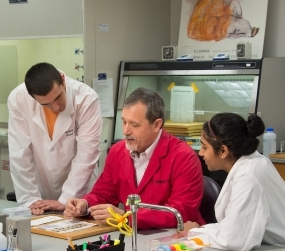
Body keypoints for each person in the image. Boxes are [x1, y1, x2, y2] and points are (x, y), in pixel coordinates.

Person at [64, 88, 204, 229]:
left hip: (175, 238)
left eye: (134, 125)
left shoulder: (183, 157)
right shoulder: (117, 151)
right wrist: (84, 205)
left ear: (156, 125)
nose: (126, 131)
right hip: (132, 235)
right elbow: (103, 194)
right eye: (124, 122)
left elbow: (181, 211)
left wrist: (127, 216)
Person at [180, 112, 285, 251]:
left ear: (223, 150)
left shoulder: (248, 175)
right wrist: (202, 229)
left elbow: (234, 240)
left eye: (204, 147)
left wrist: (195, 233)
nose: (201, 153)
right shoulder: (252, 163)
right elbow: (236, 225)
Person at [7, 62, 102, 215]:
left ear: (63, 80)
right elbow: (20, 155)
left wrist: (65, 200)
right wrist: (31, 201)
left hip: (80, 194)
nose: (56, 107)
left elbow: (87, 155)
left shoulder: (86, 99)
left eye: (58, 97)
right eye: (47, 104)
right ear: (33, 98)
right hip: (43, 194)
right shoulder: (18, 99)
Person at [187, 0, 259, 42]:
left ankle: (247, 33)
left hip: (222, 21)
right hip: (219, 24)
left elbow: (218, 12)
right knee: (236, 22)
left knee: (235, 11)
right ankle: (248, 33)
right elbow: (216, 13)